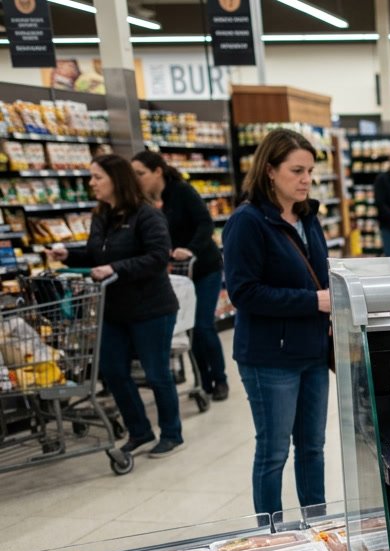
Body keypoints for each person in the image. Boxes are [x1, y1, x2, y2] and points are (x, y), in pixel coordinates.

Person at [222, 129, 331, 519]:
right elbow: (244, 293)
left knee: (313, 447)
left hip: (313, 352)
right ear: (270, 170)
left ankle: (317, 526)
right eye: (296, 170)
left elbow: (320, 273)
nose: (306, 180)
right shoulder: (247, 222)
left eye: (310, 171)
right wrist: (313, 301)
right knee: (273, 451)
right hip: (269, 357)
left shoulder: (307, 217)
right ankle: (270, 536)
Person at [50, 154, 182, 457]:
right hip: (114, 309)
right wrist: (68, 256)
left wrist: (117, 269)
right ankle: (140, 431)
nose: (91, 183)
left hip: (152, 308)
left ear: (116, 180)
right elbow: (97, 256)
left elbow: (158, 256)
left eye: (97, 177)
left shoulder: (147, 215)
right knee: (111, 370)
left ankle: (172, 433)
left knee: (156, 372)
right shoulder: (102, 216)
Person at [131, 150, 229, 401]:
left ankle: (220, 379)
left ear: (157, 172)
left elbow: (206, 223)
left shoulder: (182, 191)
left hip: (204, 267)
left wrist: (190, 249)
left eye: (140, 173)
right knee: (189, 326)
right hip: (174, 272)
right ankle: (203, 382)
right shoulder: (142, 201)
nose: (136, 178)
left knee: (203, 324)